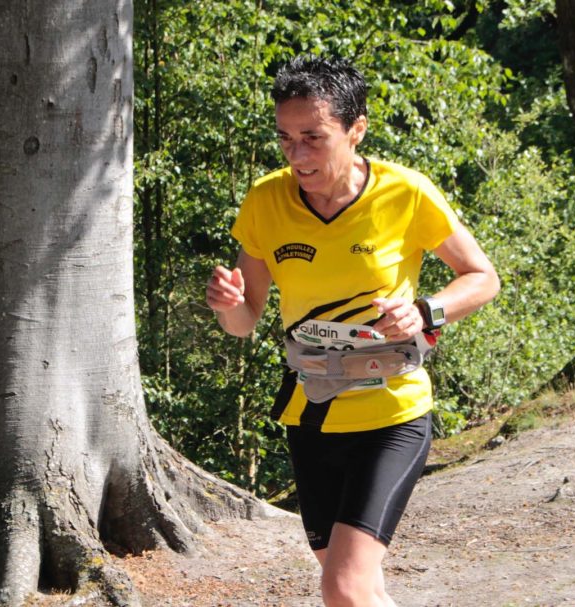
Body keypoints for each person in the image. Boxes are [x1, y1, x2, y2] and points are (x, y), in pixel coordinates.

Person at [205, 55, 500, 607]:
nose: (297, 155)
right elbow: (244, 322)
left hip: (393, 414)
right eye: (285, 138)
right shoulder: (266, 201)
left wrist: (426, 311)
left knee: (343, 587)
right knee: (360, 590)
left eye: (313, 138)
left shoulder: (405, 192)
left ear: (356, 128)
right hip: (312, 415)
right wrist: (228, 304)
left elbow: (483, 278)